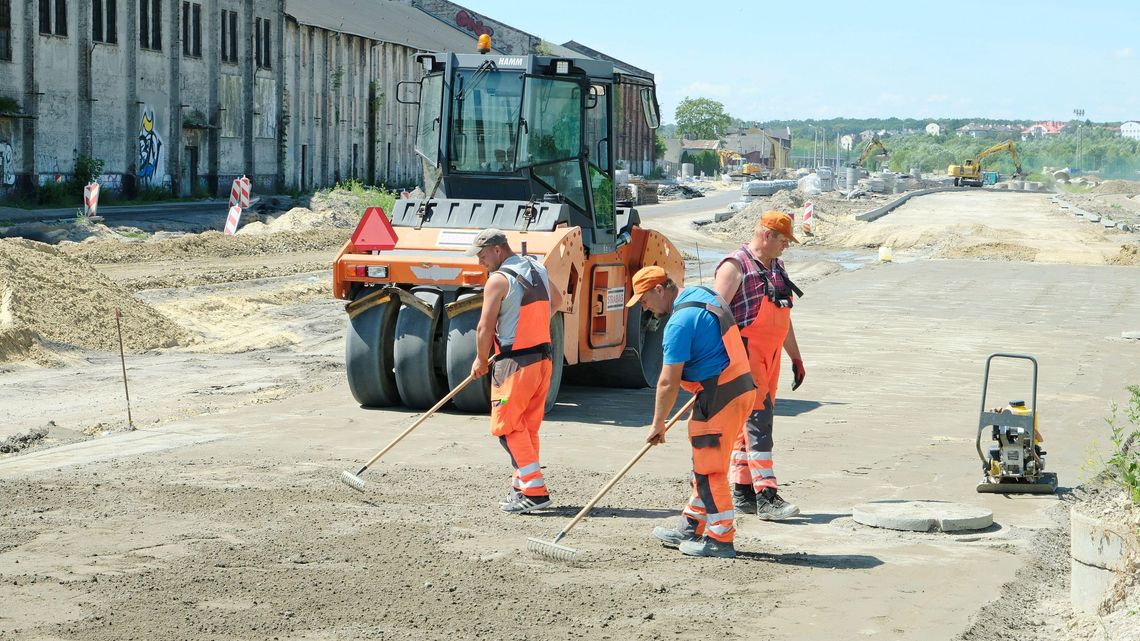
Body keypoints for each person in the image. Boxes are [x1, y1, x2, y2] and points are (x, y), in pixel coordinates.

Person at [630, 266, 756, 558]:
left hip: (720, 396)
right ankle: (691, 524)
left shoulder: (678, 324)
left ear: (660, 290)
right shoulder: (703, 294)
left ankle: (720, 538)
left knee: (709, 469)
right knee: (704, 462)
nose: (644, 308)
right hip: (738, 387)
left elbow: (667, 381)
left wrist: (657, 424)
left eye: (644, 300)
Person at [713, 210, 806, 521]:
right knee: (758, 423)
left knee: (747, 428)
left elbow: (784, 317)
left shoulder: (776, 268)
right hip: (746, 355)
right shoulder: (734, 267)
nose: (787, 246)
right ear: (767, 235)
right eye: (783, 240)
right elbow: (713, 318)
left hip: (771, 356)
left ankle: (742, 491)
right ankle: (766, 494)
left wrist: (795, 356)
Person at [467, 228, 563, 514]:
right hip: (543, 359)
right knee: (527, 426)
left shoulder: (498, 280)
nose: (479, 262)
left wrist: (480, 359)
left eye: (482, 256)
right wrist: (532, 325)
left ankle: (535, 491)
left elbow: (485, 326)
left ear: (498, 250)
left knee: (507, 428)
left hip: (514, 363)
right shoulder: (537, 268)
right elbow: (557, 301)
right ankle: (521, 488)